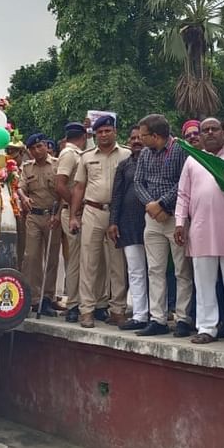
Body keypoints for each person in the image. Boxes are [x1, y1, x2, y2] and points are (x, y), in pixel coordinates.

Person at [175, 118, 224, 343]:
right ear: (200, 136)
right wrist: (179, 223)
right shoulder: (194, 160)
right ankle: (207, 328)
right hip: (202, 230)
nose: (210, 133)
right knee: (204, 284)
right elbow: (183, 195)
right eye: (206, 130)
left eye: (215, 129)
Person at [133, 114, 194, 337]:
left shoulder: (180, 150)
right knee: (155, 269)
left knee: (181, 270)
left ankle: (182, 318)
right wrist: (150, 205)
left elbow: (183, 182)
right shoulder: (145, 154)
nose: (140, 139)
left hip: (175, 217)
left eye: (143, 135)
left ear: (156, 135)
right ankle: (157, 318)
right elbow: (138, 182)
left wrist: (162, 204)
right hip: (152, 218)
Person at [70, 116, 131, 328]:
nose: (104, 135)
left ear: (114, 131)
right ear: (94, 134)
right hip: (92, 211)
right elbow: (78, 187)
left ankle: (117, 309)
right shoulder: (86, 157)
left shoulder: (127, 154)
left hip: (118, 214)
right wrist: (72, 216)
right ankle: (86, 310)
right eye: (100, 132)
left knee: (118, 263)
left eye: (107, 130)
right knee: (89, 262)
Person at [16, 133, 62, 316]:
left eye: (40, 146)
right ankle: (32, 297)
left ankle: (47, 298)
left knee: (52, 258)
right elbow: (19, 186)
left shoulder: (58, 165)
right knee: (31, 257)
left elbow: (64, 192)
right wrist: (23, 196)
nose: (37, 151)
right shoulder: (27, 167)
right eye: (33, 148)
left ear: (46, 146)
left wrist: (58, 215)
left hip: (52, 216)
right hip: (33, 216)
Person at [109, 126, 149, 330]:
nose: (136, 141)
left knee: (155, 271)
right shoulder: (124, 165)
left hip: (153, 222)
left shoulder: (154, 161)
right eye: (132, 138)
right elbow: (116, 195)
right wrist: (113, 222)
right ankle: (140, 315)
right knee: (135, 271)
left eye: (140, 137)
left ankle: (158, 313)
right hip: (128, 224)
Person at [56, 122, 88, 322]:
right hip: (73, 213)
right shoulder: (69, 154)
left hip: (77, 211)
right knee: (76, 260)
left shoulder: (77, 154)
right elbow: (60, 185)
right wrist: (75, 207)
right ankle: (74, 304)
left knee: (86, 259)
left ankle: (86, 302)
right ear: (83, 137)